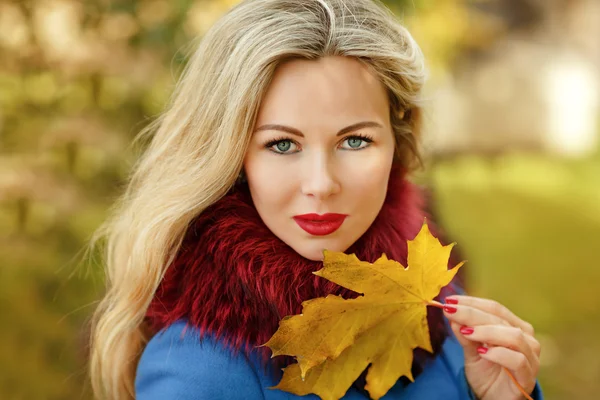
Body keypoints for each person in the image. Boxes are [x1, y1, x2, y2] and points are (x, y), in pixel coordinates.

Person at [89, 0, 543, 399]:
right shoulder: (200, 368)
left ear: (397, 144)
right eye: (282, 144)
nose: (321, 184)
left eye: (355, 141)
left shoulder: (437, 300)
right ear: (230, 156)